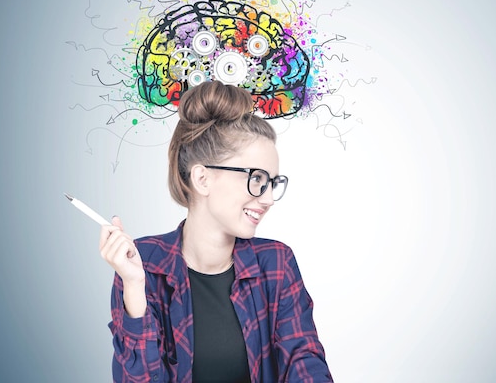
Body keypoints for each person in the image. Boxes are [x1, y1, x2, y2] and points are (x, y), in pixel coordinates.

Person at [99, 81, 333, 383]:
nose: (268, 198)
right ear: (202, 178)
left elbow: (304, 360)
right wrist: (133, 286)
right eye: (257, 179)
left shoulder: (276, 263)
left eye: (273, 183)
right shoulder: (143, 266)